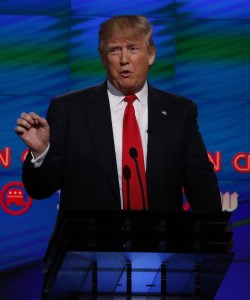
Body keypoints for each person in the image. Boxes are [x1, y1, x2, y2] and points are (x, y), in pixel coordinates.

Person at [15, 15, 222, 223]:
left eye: (133, 49)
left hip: (158, 248)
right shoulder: (68, 110)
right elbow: (40, 190)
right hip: (90, 248)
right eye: (115, 50)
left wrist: (214, 242)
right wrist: (41, 153)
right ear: (103, 58)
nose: (124, 60)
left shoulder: (179, 112)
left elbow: (201, 186)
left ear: (150, 55)